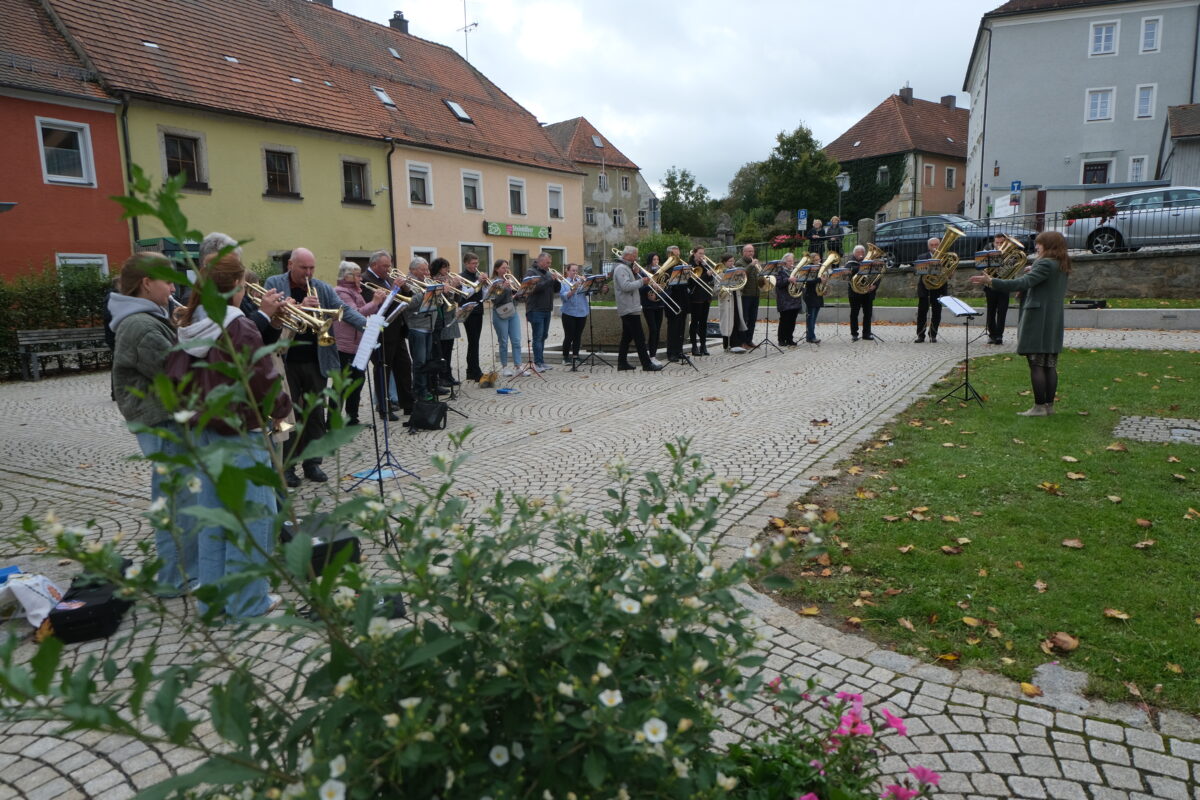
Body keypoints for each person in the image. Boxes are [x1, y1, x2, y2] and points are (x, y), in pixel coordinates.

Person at [166, 253, 290, 618]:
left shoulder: (191, 323)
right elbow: (264, 381)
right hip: (239, 434)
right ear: (237, 286)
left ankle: (214, 597)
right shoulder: (238, 326)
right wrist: (281, 409)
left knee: (215, 518)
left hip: (204, 434)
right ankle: (249, 600)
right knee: (254, 518)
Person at [108, 252, 197, 596]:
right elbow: (177, 373)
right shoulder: (141, 325)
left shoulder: (146, 318)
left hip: (164, 418)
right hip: (162, 420)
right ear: (147, 283)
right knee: (178, 505)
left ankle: (182, 572)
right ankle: (177, 578)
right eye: (167, 281)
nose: (173, 287)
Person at [263, 248, 367, 487]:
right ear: (291, 265)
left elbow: (345, 310)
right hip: (286, 359)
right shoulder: (274, 283)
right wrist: (300, 307)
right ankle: (287, 466)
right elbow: (272, 315)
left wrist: (368, 325)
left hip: (316, 358)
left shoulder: (322, 287)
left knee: (315, 413)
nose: (308, 273)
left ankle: (313, 462)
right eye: (304, 268)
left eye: (312, 268)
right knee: (286, 414)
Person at [970, 231, 1071, 417]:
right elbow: (1039, 283)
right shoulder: (1060, 263)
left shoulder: (1045, 263)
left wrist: (991, 281)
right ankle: (1048, 406)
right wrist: (1032, 274)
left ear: (1048, 245)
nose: (1037, 247)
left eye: (1040, 244)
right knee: (1049, 363)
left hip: (1038, 317)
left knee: (1036, 363)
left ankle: (1039, 407)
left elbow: (1022, 283)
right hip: (1052, 317)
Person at [360, 250, 414, 419]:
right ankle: (384, 408)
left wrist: (404, 288)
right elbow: (374, 305)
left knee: (404, 366)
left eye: (389, 265)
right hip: (381, 332)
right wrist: (394, 288)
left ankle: (408, 404)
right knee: (383, 369)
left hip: (397, 329)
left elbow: (405, 298)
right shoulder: (364, 280)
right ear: (374, 265)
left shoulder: (388, 278)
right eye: (385, 266)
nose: (388, 269)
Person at [333, 261, 384, 425]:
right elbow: (355, 314)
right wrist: (374, 302)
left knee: (357, 381)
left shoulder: (356, 291)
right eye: (356, 274)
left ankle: (352, 417)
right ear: (346, 276)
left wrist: (379, 305)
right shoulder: (341, 293)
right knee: (341, 384)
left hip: (358, 343)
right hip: (345, 344)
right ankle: (333, 419)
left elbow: (367, 313)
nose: (360, 277)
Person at [613, 246, 664, 372]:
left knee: (627, 337)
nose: (636, 258)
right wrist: (643, 281)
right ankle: (646, 364)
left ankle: (622, 362)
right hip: (628, 307)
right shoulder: (621, 268)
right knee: (639, 338)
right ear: (628, 256)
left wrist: (636, 275)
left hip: (631, 306)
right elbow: (625, 286)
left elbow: (631, 284)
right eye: (635, 255)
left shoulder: (626, 268)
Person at [404, 257, 446, 400]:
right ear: (413, 270)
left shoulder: (425, 281)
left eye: (427, 269)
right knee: (419, 362)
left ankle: (427, 388)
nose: (427, 273)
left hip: (429, 326)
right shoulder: (408, 283)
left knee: (427, 361)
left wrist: (439, 292)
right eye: (423, 270)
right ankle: (419, 391)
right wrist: (426, 292)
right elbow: (409, 304)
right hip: (417, 327)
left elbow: (438, 303)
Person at [430, 258, 462, 389]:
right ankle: (442, 377)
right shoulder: (435, 281)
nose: (447, 270)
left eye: (448, 267)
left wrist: (458, 287)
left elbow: (457, 299)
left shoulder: (448, 279)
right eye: (444, 267)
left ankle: (448, 375)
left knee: (449, 349)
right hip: (442, 318)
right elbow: (440, 301)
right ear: (438, 268)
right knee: (442, 351)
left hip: (451, 317)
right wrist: (452, 287)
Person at [525, 252, 559, 371]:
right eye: (547, 263)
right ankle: (538, 363)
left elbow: (556, 290)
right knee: (538, 336)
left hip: (546, 308)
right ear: (540, 261)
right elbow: (535, 288)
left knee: (544, 336)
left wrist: (556, 281)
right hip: (535, 309)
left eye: (550, 263)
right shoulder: (531, 272)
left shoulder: (548, 273)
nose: (549, 265)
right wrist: (550, 280)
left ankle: (541, 361)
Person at [490, 260, 522, 377]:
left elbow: (515, 297)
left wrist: (518, 293)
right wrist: (503, 288)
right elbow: (495, 300)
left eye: (507, 268)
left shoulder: (510, 279)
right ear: (497, 269)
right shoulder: (493, 282)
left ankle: (518, 366)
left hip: (512, 311)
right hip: (500, 313)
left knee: (516, 340)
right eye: (503, 268)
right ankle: (504, 366)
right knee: (503, 341)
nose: (506, 270)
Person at [913, 237, 947, 343]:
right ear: (928, 247)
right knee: (922, 313)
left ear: (940, 245)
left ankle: (933, 335)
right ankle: (920, 335)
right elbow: (916, 271)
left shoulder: (945, 258)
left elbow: (949, 274)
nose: (934, 247)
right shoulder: (922, 257)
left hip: (939, 288)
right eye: (932, 245)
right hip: (925, 288)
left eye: (936, 245)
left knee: (937, 313)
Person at [459, 252, 486, 380]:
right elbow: (465, 294)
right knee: (473, 341)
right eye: (473, 263)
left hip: (478, 310)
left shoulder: (476, 275)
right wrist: (478, 282)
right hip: (469, 312)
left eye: (477, 263)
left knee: (474, 342)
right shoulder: (462, 277)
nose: (475, 266)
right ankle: (475, 371)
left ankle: (471, 370)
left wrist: (486, 285)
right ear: (466, 263)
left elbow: (484, 295)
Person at [983, 234, 1012, 345]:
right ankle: (992, 335)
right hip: (990, 286)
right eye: (997, 243)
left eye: (1001, 243)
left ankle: (999, 335)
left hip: (1004, 286)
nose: (999, 245)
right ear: (994, 243)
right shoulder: (988, 253)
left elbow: (1012, 270)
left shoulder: (1011, 254)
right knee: (991, 311)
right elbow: (982, 268)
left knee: (1002, 311)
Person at [662, 245, 690, 361]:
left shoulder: (681, 267)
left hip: (682, 299)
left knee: (681, 327)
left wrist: (688, 275)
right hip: (672, 300)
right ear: (669, 255)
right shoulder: (665, 268)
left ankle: (679, 351)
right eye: (675, 255)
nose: (678, 257)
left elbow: (686, 284)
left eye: (678, 255)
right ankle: (671, 353)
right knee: (673, 327)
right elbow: (666, 286)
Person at [559, 263, 588, 366]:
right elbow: (563, 297)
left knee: (578, 336)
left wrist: (586, 284)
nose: (575, 273)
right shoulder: (563, 282)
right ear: (567, 271)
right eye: (573, 270)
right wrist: (573, 289)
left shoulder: (580, 281)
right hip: (569, 312)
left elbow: (589, 292)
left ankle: (576, 356)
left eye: (576, 270)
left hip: (581, 312)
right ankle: (565, 357)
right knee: (569, 336)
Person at [687, 246, 715, 356]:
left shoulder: (704, 265)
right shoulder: (690, 265)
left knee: (703, 322)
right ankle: (694, 346)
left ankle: (703, 345)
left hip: (706, 296)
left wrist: (710, 274)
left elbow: (710, 280)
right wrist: (706, 274)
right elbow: (692, 281)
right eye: (700, 253)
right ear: (694, 254)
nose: (702, 256)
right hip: (696, 297)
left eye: (703, 253)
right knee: (694, 322)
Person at [846, 245, 877, 341]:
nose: (861, 254)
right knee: (854, 313)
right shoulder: (850, 263)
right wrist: (862, 267)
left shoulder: (869, 263)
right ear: (854, 254)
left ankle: (866, 333)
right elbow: (848, 273)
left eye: (862, 253)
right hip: (855, 293)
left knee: (868, 313)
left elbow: (877, 275)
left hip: (867, 292)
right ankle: (854, 333)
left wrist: (875, 285)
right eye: (858, 253)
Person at [717, 254, 747, 350]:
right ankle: (729, 344)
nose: (732, 263)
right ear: (724, 263)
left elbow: (741, 286)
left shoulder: (736, 272)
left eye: (733, 261)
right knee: (728, 322)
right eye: (730, 261)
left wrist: (741, 276)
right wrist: (725, 286)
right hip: (726, 300)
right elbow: (716, 290)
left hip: (736, 299)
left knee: (736, 320)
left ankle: (737, 343)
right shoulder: (720, 273)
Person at [774, 252, 804, 346]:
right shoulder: (779, 271)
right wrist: (788, 280)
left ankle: (789, 338)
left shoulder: (796, 271)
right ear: (784, 262)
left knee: (792, 320)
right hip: (785, 300)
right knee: (784, 320)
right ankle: (781, 339)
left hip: (795, 299)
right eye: (789, 261)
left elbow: (800, 283)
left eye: (792, 260)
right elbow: (777, 283)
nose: (792, 262)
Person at [639, 253, 665, 358]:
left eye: (658, 259)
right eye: (654, 259)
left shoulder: (661, 272)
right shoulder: (643, 272)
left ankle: (653, 353)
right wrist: (651, 288)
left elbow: (666, 286)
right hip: (648, 305)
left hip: (659, 304)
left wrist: (660, 288)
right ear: (650, 260)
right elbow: (640, 289)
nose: (656, 261)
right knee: (653, 329)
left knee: (657, 330)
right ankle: (651, 354)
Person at [737, 243, 761, 348]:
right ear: (744, 252)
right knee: (744, 319)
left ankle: (749, 340)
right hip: (745, 295)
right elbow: (742, 274)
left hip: (755, 294)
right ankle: (742, 341)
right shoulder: (739, 263)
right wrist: (751, 265)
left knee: (752, 319)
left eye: (752, 251)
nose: (751, 253)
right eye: (749, 251)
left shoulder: (754, 263)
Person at [800, 252, 824, 344]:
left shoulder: (820, 269)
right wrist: (819, 280)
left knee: (814, 318)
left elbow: (821, 281)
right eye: (816, 260)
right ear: (812, 261)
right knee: (811, 317)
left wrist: (824, 283)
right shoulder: (807, 270)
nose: (819, 261)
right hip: (810, 295)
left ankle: (810, 336)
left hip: (818, 295)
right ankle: (811, 336)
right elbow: (808, 282)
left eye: (819, 260)